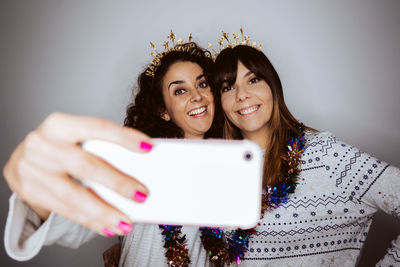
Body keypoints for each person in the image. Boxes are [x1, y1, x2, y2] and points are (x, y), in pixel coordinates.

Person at [3, 40, 224, 266]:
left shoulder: (229, 168)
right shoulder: (136, 163)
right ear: (163, 111)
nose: (197, 96)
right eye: (180, 90)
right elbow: (72, 224)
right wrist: (38, 193)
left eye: (203, 84)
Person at [209, 42, 400, 266]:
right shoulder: (217, 169)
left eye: (253, 80)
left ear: (273, 87)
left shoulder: (326, 156)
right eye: (228, 87)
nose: (241, 95)